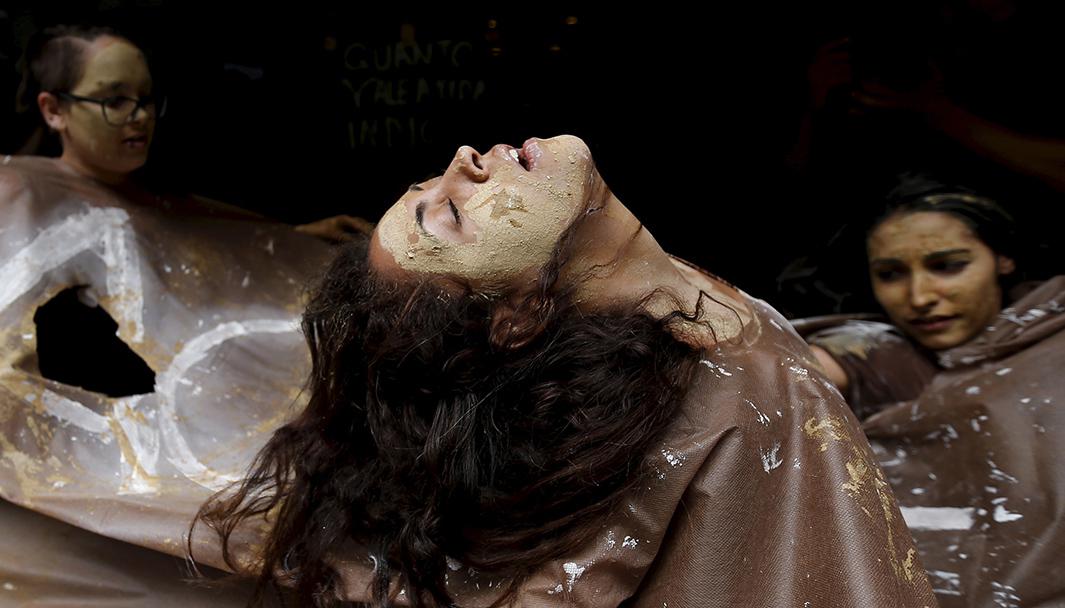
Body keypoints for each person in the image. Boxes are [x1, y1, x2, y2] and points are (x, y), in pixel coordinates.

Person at [193, 135, 936, 607]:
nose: (462, 163)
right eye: (450, 214)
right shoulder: (705, 400)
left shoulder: (667, 350)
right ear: (516, 317)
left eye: (430, 182)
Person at [806, 175, 1065, 607]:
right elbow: (791, 378)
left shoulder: (1054, 337)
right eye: (890, 274)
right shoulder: (882, 350)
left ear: (1003, 259)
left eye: (947, 266)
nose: (920, 296)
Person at [15, 23, 371, 241]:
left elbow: (205, 246)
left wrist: (299, 240)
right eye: (114, 100)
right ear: (54, 110)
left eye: (145, 98)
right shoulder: (27, 205)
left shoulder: (160, 199)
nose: (140, 116)